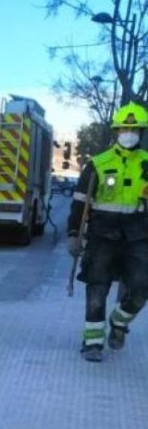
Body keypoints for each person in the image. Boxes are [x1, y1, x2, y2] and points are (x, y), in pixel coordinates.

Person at [67, 101, 148, 363]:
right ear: (116, 131)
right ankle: (92, 343)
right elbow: (80, 201)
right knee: (96, 288)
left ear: (142, 133)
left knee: (141, 288)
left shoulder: (147, 165)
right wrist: (72, 233)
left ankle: (119, 322)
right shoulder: (98, 164)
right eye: (125, 128)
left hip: (136, 234)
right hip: (102, 234)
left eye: (134, 129)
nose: (129, 133)